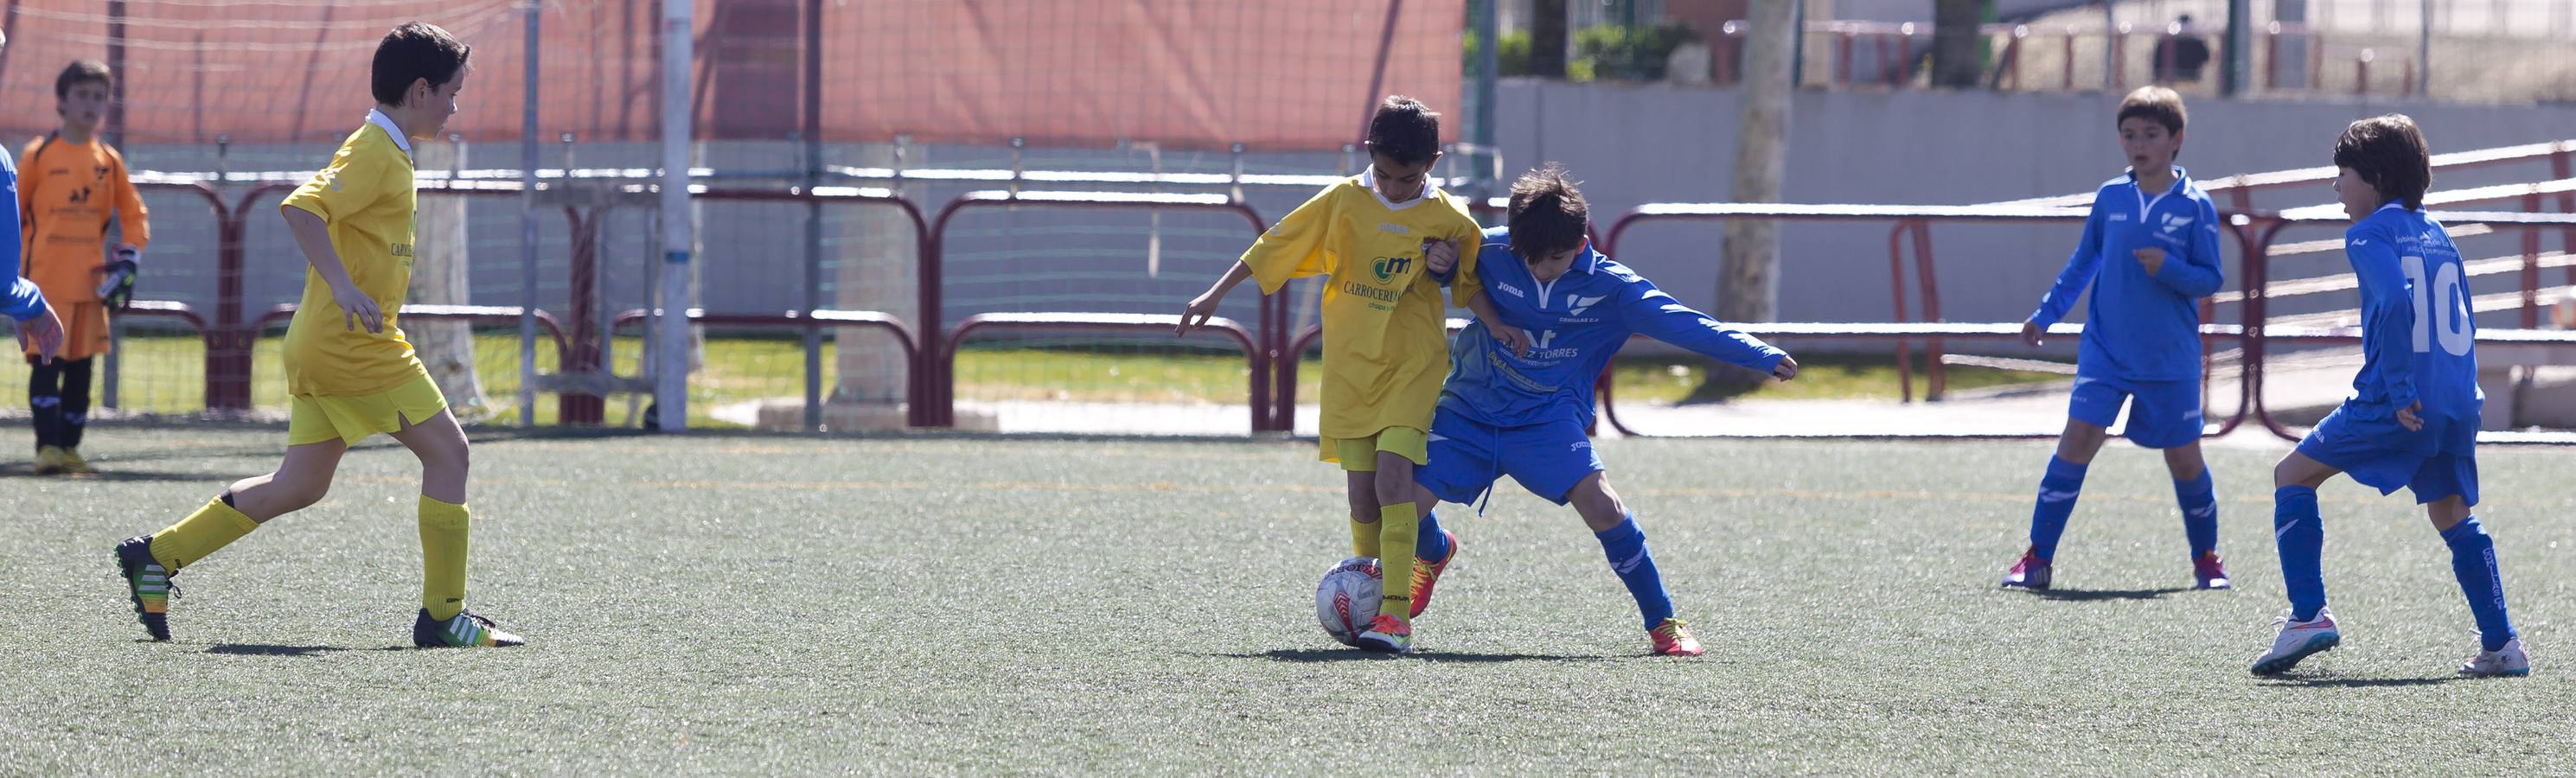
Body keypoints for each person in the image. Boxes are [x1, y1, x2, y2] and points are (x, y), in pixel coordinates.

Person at [112, 22, 524, 648]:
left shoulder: (385, 147)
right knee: (450, 453)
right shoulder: (375, 150)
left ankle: (157, 556)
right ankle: (443, 617)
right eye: (450, 93)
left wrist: (355, 288)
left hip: (325, 343)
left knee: (299, 485)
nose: (454, 107)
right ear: (419, 91)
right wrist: (344, 287)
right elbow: (302, 207)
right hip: (352, 346)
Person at [1405, 163, 1798, 656]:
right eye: (1529, 258)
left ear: (1582, 243)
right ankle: (1434, 551)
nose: (1540, 269)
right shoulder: (1486, 248)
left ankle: (1665, 624)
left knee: (1604, 505)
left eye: (1555, 258)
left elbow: (1686, 324)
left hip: (1545, 420)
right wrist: (1437, 260)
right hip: (1469, 409)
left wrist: (1760, 353)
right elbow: (1430, 257)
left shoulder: (1614, 289)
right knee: (1398, 505)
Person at [1179, 95, 1484, 654]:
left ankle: (1394, 616)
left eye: (1407, 178)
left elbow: (1473, 279)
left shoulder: (1449, 218)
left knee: (1394, 481)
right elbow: (1276, 243)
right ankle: (1398, 573)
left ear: (1433, 165)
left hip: (1411, 366)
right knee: (1362, 501)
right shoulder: (1342, 201)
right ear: (1368, 153)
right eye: (1386, 175)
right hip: (1349, 370)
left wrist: (1446, 268)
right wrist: (1214, 294)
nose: (1393, 188)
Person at [2250, 114, 2527, 678]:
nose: (2334, 186)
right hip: (2453, 400)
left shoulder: (2367, 233)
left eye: (2341, 173)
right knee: (2452, 514)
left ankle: (2308, 615)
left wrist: (2399, 390)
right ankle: (2501, 644)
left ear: (2373, 177)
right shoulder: (2438, 234)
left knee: (2291, 476)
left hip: (2394, 400)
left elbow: (2398, 304)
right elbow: (2461, 322)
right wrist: (2457, 395)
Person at [2002, 86, 2230, 593]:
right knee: (2077, 441)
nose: (2138, 144)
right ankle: (2036, 558)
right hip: (2106, 351)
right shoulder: (2112, 197)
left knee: (2184, 458)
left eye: (2151, 134)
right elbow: (2084, 262)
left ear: (2176, 139)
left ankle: (2208, 559)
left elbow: (2211, 279)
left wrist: (2169, 268)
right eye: (2129, 135)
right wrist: (2046, 315)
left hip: (2170, 359)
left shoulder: (2196, 206)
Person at [21, 59, 151, 475]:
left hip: (91, 285)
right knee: (46, 364)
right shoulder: (39, 154)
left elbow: (134, 215)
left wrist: (130, 254)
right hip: (44, 285)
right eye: (82, 94)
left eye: (99, 96)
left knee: (81, 370)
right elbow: (14, 214)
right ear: (61, 100)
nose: (91, 104)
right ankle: (46, 448)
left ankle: (71, 449)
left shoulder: (109, 161)